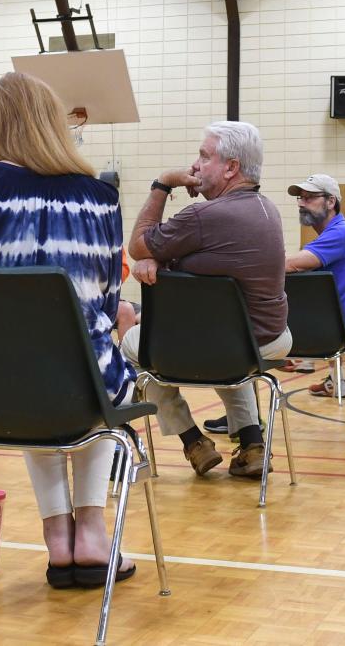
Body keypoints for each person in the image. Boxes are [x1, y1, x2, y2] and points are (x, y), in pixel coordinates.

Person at [0, 71, 138, 588]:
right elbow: (109, 304)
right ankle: (90, 530)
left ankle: (56, 535)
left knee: (25, 357)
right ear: (54, 124)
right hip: (76, 389)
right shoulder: (99, 197)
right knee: (88, 357)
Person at [125, 121, 290, 479]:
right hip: (266, 340)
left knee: (134, 345)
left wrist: (163, 184)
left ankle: (192, 441)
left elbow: (137, 244)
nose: (195, 165)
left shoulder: (203, 216)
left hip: (225, 344)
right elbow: (214, 256)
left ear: (231, 167)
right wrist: (166, 259)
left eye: (204, 156)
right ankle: (252, 443)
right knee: (222, 344)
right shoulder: (268, 210)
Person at [284, 174, 345, 399]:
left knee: (245, 335)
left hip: (332, 332)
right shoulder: (334, 236)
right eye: (300, 198)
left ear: (331, 202)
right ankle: (334, 381)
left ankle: (244, 419)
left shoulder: (343, 233)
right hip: (328, 328)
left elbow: (289, 265)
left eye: (309, 197)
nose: (302, 203)